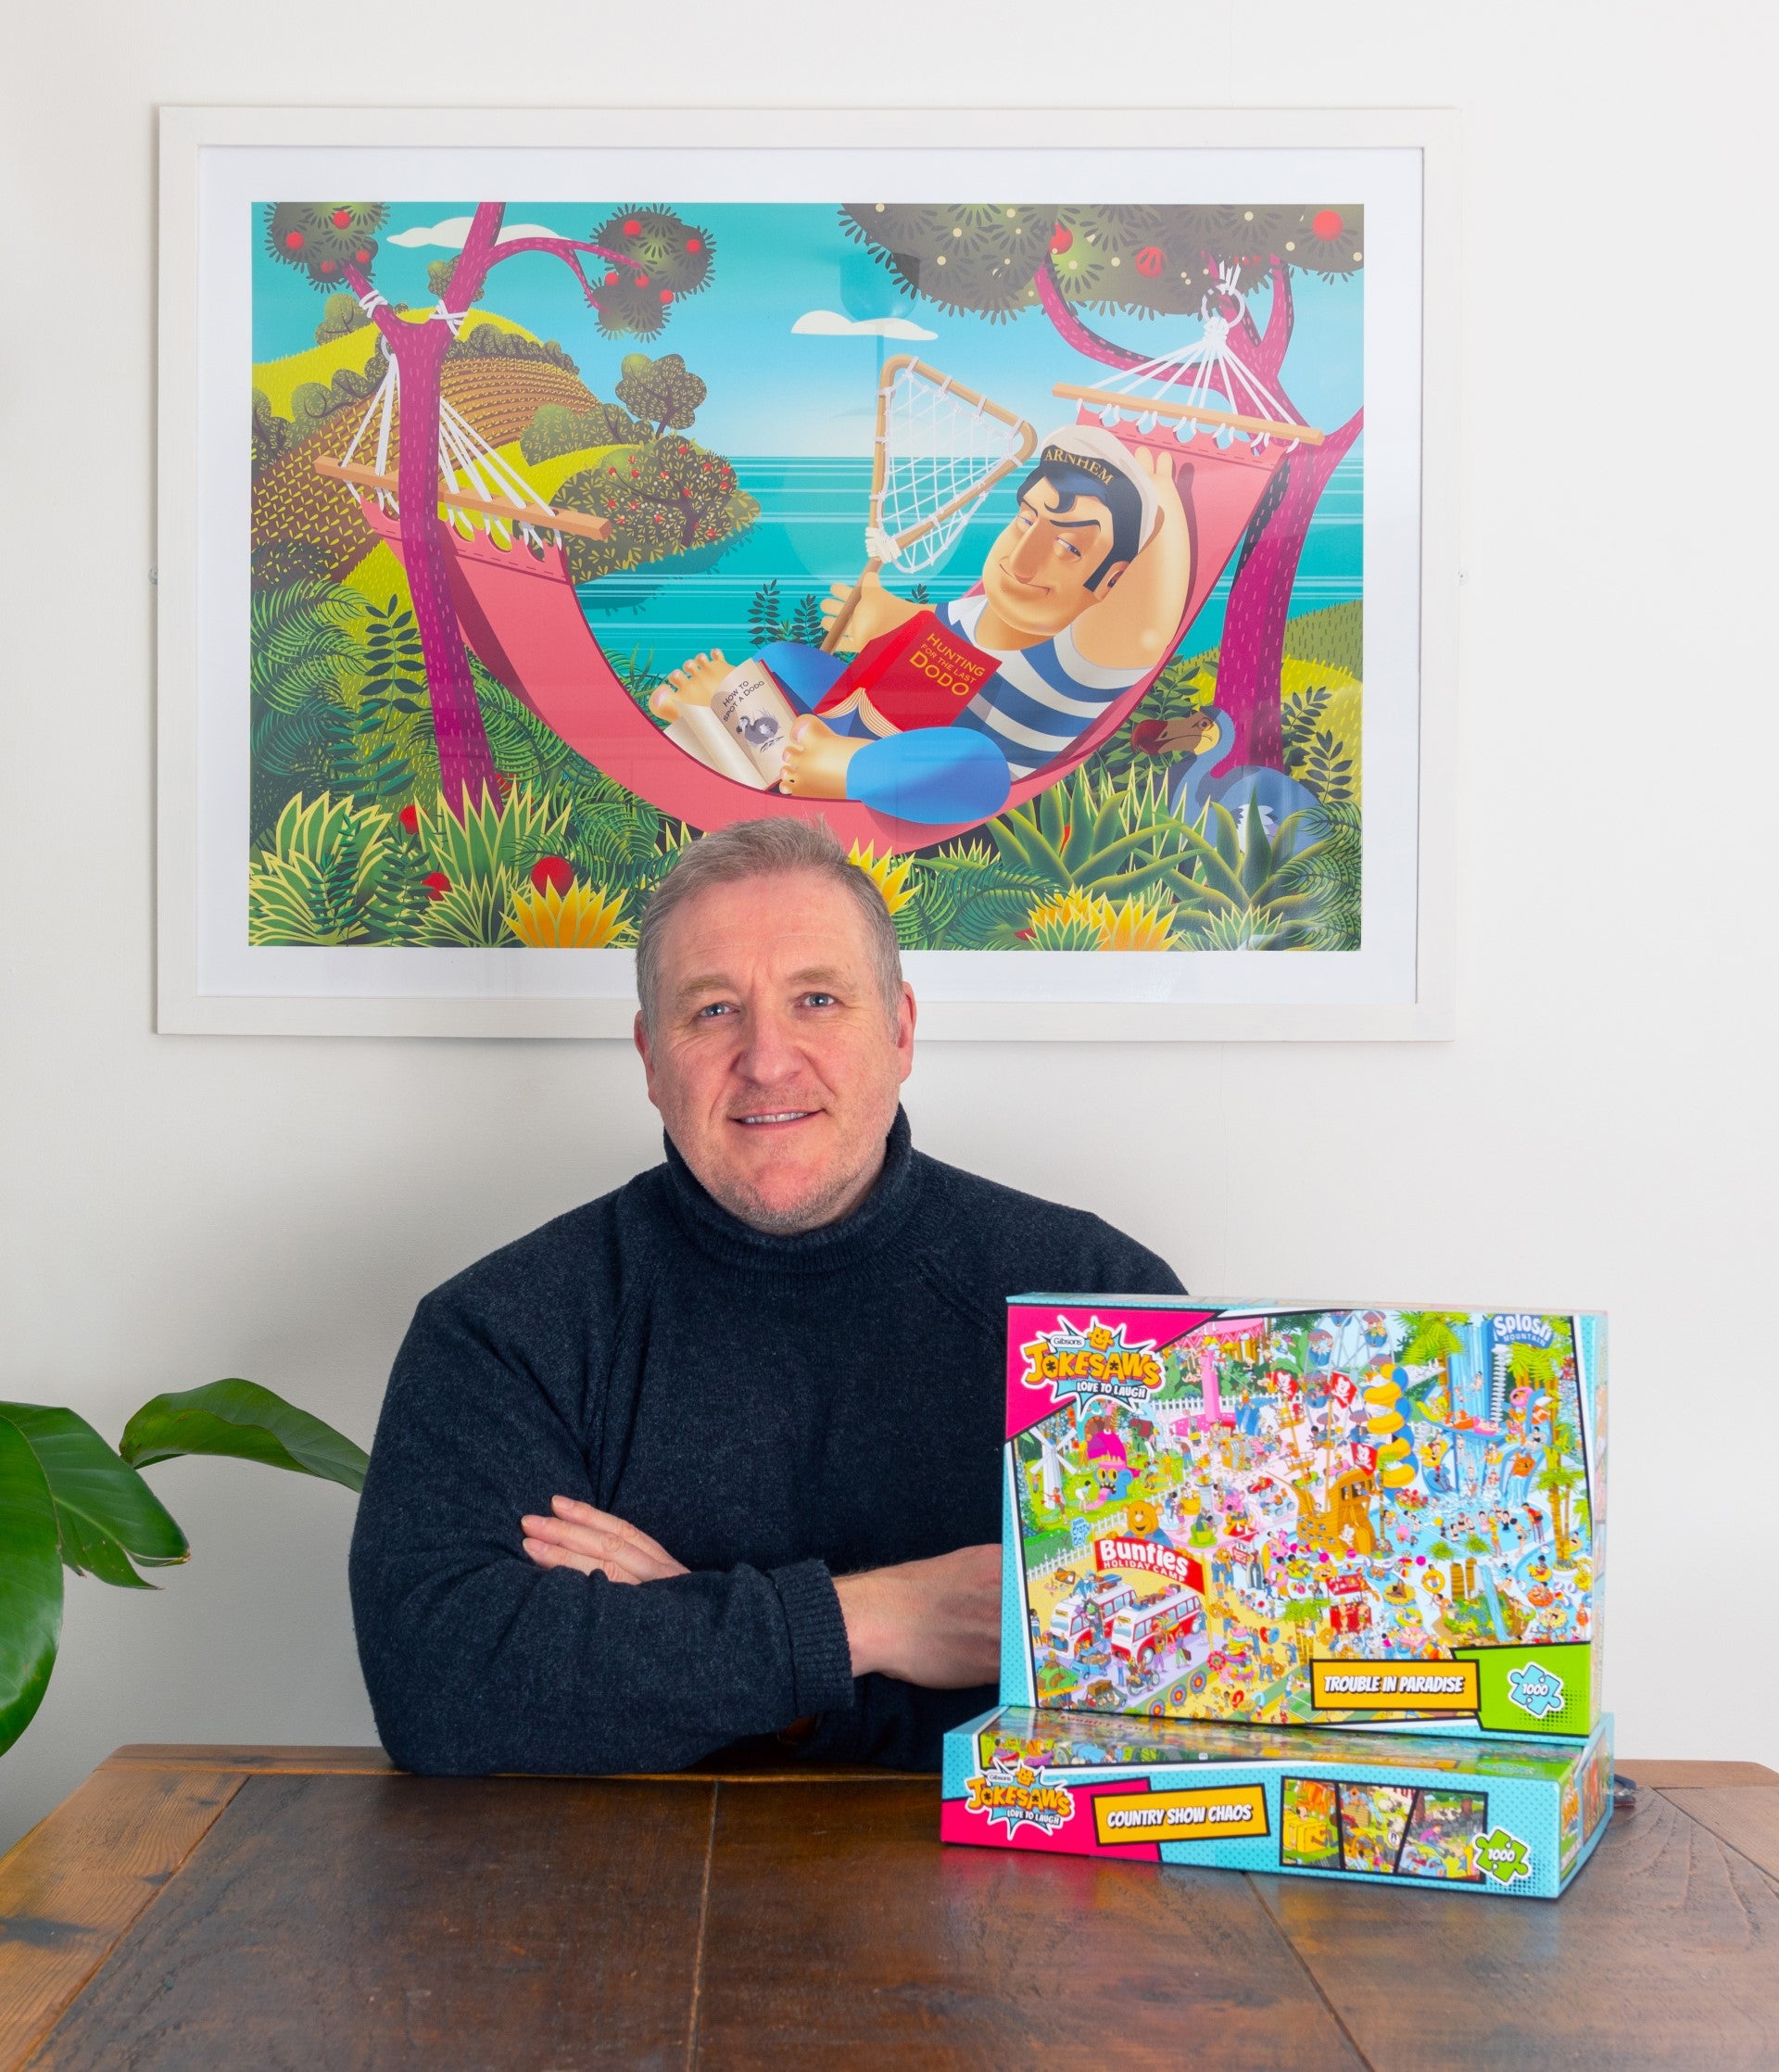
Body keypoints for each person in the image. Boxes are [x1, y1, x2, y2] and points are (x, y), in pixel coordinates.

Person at [349, 818, 1183, 1775]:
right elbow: (442, 1690)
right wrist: (871, 1620)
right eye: (713, 1011)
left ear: (902, 1029)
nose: (769, 1059)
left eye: (818, 998)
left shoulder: (1103, 1302)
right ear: (649, 1057)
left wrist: (702, 1640)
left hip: (1022, 1913)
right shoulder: (502, 1331)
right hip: (607, 1909)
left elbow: (1176, 1693)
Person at [651, 426, 1192, 826]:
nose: (1022, 559)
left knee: (979, 763)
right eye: (1026, 520)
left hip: (919, 768)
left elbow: (1148, 628)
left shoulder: (1082, 656)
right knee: (786, 658)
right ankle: (726, 718)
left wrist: (1163, 512)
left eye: (1069, 546)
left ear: (1111, 580)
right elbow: (928, 640)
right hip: (871, 717)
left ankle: (839, 768)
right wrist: (885, 623)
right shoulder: (978, 610)